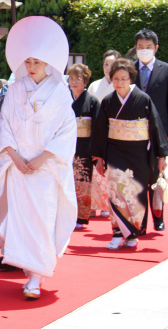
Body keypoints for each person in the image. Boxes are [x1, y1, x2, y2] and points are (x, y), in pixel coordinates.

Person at [0, 16, 78, 300]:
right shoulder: (14, 89)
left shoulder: (61, 93)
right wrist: (14, 157)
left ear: (48, 63)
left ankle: (37, 276)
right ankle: (27, 270)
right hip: (18, 167)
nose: (30, 67)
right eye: (27, 62)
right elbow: (4, 124)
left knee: (42, 218)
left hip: (45, 168)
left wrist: (41, 159)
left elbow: (66, 131)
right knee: (20, 218)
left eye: (36, 62)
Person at [92, 59, 168, 249]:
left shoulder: (143, 99)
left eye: (124, 79)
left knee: (136, 192)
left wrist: (161, 155)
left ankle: (133, 234)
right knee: (115, 189)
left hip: (139, 152)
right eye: (116, 78)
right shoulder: (108, 101)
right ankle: (117, 233)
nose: (119, 83)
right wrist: (99, 156)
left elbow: (156, 127)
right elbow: (100, 129)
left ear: (130, 79)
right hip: (115, 149)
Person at [133, 29, 168, 231]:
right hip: (134, 134)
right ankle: (140, 221)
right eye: (140, 47)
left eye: (148, 47)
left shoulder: (165, 69)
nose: (144, 50)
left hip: (159, 133)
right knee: (137, 178)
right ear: (135, 48)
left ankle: (158, 218)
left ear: (155, 48)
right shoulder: (129, 70)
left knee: (157, 177)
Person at [88, 50, 121, 218]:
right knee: (96, 171)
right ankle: (94, 204)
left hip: (116, 133)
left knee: (112, 171)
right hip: (98, 132)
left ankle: (110, 204)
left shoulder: (121, 85)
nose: (109, 68)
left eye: (112, 65)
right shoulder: (94, 86)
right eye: (106, 64)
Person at [67, 63, 100, 229]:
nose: (74, 82)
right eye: (71, 78)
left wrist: (95, 151)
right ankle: (66, 215)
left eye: (78, 78)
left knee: (82, 182)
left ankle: (81, 217)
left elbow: (98, 128)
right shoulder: (64, 99)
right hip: (66, 147)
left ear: (85, 81)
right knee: (65, 182)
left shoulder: (92, 101)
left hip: (84, 146)